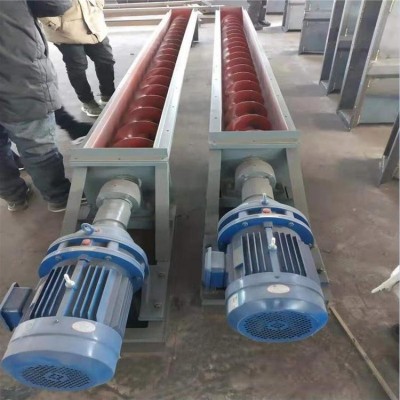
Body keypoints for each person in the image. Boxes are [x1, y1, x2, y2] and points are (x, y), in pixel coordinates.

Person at [0, 0, 75, 213]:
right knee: (37, 146)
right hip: (16, 78)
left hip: (14, 76)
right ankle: (58, 197)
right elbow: (56, 5)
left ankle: (14, 196)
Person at [40, 0, 116, 117]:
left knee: (106, 60)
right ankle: (87, 101)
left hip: (94, 23)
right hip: (66, 29)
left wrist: (98, 5)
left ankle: (108, 94)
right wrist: (52, 22)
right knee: (78, 67)